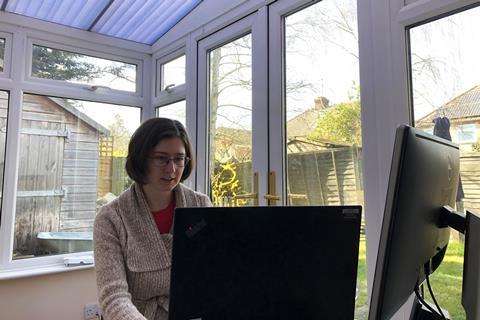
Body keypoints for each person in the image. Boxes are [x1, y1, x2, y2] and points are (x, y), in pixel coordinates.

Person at [94, 117, 212, 320]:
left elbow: (214, 276)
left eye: (179, 159)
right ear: (141, 158)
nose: (171, 169)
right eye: (161, 158)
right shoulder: (111, 218)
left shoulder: (201, 206)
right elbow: (114, 297)